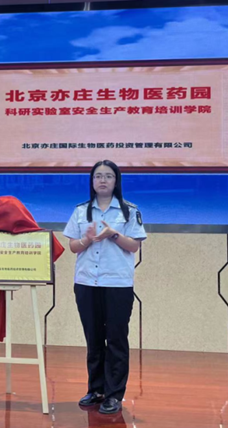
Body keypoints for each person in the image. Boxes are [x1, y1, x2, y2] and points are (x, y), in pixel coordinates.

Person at [63, 160, 147, 414]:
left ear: (116, 181)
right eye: (98, 176)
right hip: (87, 282)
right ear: (92, 181)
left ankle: (114, 394)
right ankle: (96, 389)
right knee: (94, 338)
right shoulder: (81, 211)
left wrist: (113, 234)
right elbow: (73, 247)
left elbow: (134, 246)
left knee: (116, 339)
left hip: (117, 283)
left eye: (108, 176)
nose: (102, 180)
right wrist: (87, 239)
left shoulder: (129, 211)